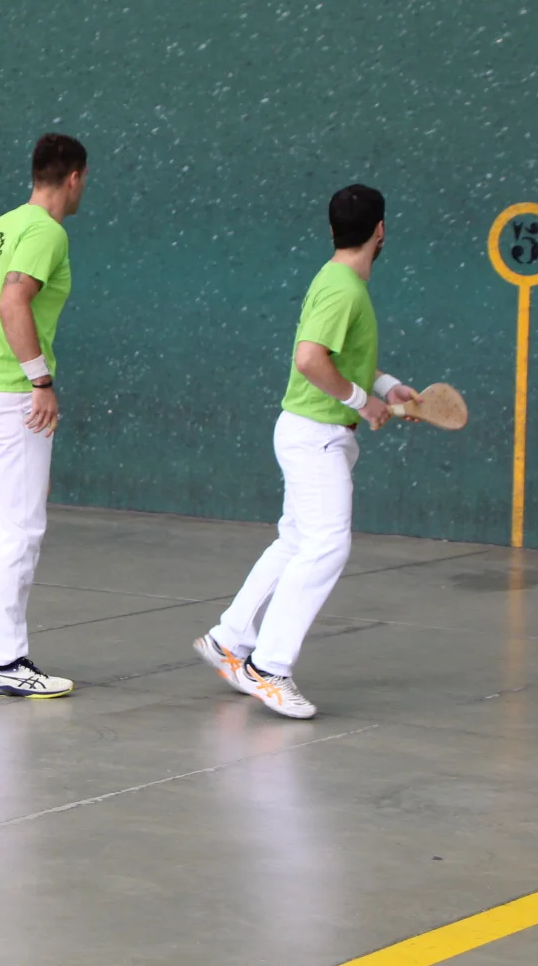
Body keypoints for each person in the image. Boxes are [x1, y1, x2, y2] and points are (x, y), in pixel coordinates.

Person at [195, 184, 420, 717]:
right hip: (316, 435)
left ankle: (230, 639)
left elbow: (339, 357)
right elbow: (310, 359)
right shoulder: (345, 289)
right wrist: (363, 401)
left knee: (296, 542)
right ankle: (268, 667)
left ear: (333, 230)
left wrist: (386, 387)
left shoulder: (335, 280)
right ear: (381, 231)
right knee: (327, 545)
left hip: (310, 431)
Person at [0, 133, 89, 699]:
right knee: (19, 525)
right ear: (73, 177)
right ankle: (6, 660)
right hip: (10, 400)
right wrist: (38, 380)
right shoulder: (47, 232)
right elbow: (11, 300)